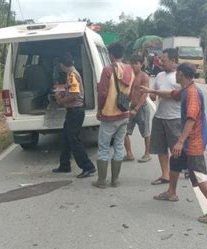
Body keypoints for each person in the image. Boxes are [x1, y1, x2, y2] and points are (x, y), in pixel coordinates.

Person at [142, 63, 207, 223]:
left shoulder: (192, 93)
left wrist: (180, 141)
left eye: (177, 74)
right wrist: (151, 91)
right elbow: (171, 93)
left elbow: (191, 119)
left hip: (194, 141)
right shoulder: (186, 90)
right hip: (187, 140)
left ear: (180, 74)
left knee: (199, 175)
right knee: (175, 162)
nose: (175, 76)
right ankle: (171, 192)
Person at [92, 43, 134, 188]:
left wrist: (99, 109)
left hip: (109, 115)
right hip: (124, 113)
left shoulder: (107, 70)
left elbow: (102, 93)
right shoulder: (130, 69)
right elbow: (132, 92)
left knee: (103, 147)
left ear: (111, 55)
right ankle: (115, 180)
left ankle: (102, 181)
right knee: (119, 146)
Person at [52, 53, 96, 178]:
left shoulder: (72, 75)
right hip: (74, 111)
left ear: (62, 65)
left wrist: (60, 101)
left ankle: (88, 167)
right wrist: (62, 88)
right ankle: (64, 165)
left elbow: (74, 94)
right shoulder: (72, 73)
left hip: (75, 111)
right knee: (66, 138)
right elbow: (71, 88)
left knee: (74, 140)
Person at [147, 48, 182, 185]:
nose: (161, 62)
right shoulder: (160, 75)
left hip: (175, 118)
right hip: (160, 116)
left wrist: (155, 91)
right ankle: (165, 175)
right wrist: (152, 94)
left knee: (176, 150)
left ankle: (180, 171)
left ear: (173, 60)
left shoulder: (179, 76)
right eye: (161, 59)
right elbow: (153, 94)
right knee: (160, 148)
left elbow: (178, 95)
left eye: (164, 60)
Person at [124, 55, 151, 163]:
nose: (134, 65)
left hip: (142, 108)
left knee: (145, 132)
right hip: (130, 107)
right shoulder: (129, 76)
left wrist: (137, 108)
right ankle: (129, 153)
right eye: (132, 63)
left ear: (141, 64)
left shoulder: (144, 76)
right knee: (124, 131)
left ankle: (147, 153)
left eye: (136, 63)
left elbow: (144, 94)